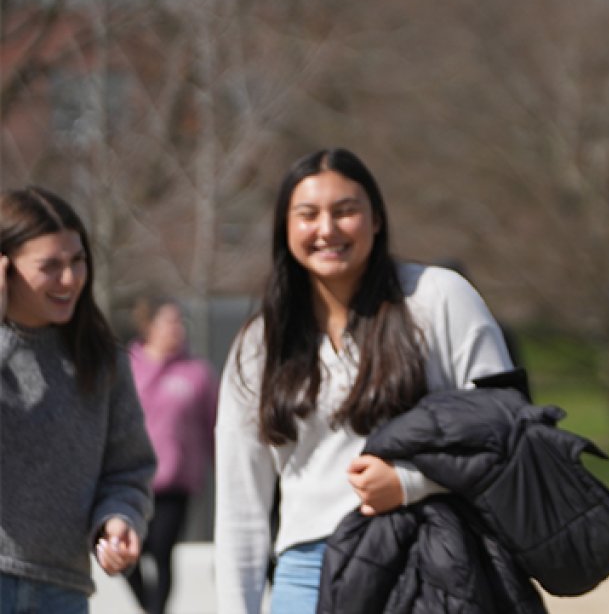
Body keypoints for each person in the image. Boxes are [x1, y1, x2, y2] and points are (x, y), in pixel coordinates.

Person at [214, 148, 514, 613]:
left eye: (346, 211)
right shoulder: (259, 343)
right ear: (285, 228)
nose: (327, 229)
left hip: (425, 561)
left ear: (376, 219)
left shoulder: (438, 298)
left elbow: (507, 426)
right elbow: (240, 509)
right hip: (304, 576)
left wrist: (411, 482)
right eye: (308, 215)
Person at [0, 186, 156, 613]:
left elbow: (128, 468)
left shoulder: (102, 359)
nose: (69, 279)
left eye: (77, 261)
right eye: (50, 266)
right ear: (5, 270)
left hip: (62, 591)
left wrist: (119, 520)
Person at [124, 296, 218, 614]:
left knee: (162, 551)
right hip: (131, 480)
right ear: (149, 325)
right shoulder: (127, 367)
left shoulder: (197, 373)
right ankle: (149, 608)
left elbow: (214, 425)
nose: (177, 329)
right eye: (169, 321)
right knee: (131, 551)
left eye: (180, 322)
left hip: (176, 480)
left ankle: (157, 611)